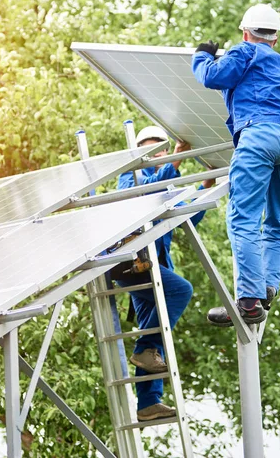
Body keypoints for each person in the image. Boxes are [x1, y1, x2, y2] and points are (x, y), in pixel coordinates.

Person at [191, 4, 280, 327]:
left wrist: (201, 55)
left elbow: (213, 76)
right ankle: (267, 286)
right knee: (278, 223)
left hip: (259, 137)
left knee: (243, 218)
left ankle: (249, 300)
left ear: (245, 33)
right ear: (276, 39)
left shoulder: (245, 52)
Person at [113, 125, 215, 422]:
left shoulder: (165, 185)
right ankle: (145, 350)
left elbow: (188, 217)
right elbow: (144, 193)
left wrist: (207, 185)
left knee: (151, 326)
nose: (160, 154)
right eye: (154, 150)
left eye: (162, 149)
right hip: (130, 262)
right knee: (181, 290)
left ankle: (148, 402)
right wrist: (175, 162)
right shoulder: (130, 177)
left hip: (152, 266)